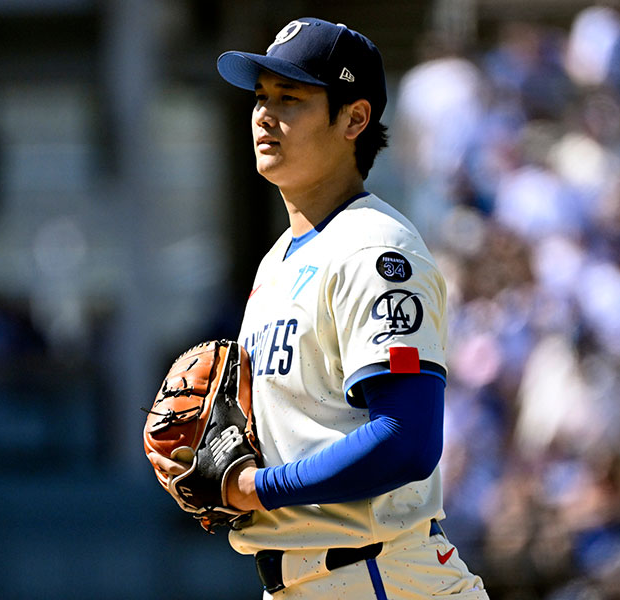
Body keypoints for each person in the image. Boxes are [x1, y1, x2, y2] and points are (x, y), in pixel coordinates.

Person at [150, 17, 489, 599]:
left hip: (381, 577)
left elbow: (405, 438)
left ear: (354, 119)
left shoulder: (376, 250)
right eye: (260, 97)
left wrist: (257, 488)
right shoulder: (277, 260)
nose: (264, 114)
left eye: (290, 98)